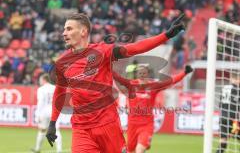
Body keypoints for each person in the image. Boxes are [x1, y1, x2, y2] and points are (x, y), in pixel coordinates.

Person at [46, 12, 185, 153]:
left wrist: (166, 36)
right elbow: (60, 91)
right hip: (81, 129)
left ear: (83, 31)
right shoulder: (62, 62)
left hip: (108, 126)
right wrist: (52, 122)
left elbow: (135, 48)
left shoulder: (103, 51)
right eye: (64, 29)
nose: (64, 33)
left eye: (69, 29)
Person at [113, 65, 193, 153]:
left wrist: (184, 73)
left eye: (144, 73)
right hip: (132, 125)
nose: (142, 75)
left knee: (139, 150)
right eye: (140, 73)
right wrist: (108, 68)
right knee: (131, 151)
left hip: (146, 125)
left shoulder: (153, 86)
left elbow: (171, 81)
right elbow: (117, 78)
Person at [32, 74, 62, 153]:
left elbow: (40, 102)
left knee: (42, 130)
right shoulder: (54, 88)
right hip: (53, 111)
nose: (40, 81)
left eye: (40, 80)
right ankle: (59, 150)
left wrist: (37, 114)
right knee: (57, 130)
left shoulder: (41, 89)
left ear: (44, 80)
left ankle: (38, 149)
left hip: (44, 112)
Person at [216, 72, 240, 153]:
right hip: (233, 118)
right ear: (237, 79)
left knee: (223, 141)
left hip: (223, 117)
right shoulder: (237, 89)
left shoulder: (224, 87)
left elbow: (220, 103)